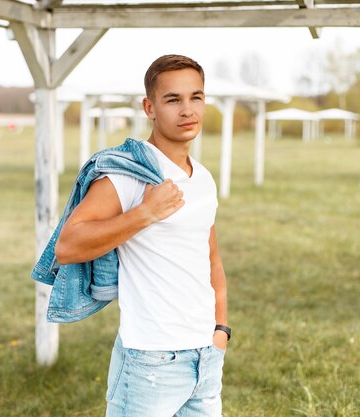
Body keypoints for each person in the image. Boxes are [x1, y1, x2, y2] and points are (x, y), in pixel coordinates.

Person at [54, 54, 229, 417]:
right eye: (172, 99)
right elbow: (68, 246)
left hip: (206, 357)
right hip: (151, 362)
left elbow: (209, 257)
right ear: (149, 107)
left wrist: (220, 330)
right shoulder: (128, 175)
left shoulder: (204, 178)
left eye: (195, 97)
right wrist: (145, 213)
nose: (187, 110)